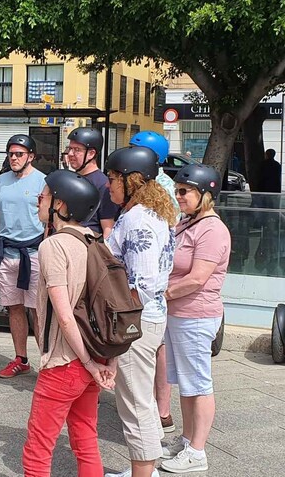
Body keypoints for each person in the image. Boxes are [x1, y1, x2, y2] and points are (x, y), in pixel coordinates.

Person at [22, 170, 116, 477]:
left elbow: (63, 315)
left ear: (61, 205)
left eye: (44, 195)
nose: (38, 200)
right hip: (96, 354)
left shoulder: (53, 245)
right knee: (85, 438)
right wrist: (106, 362)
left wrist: (87, 363)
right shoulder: (98, 242)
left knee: (39, 445)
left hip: (65, 360)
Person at [102, 147, 178, 477]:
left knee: (135, 404)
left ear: (132, 180)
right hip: (149, 318)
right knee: (139, 399)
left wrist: (120, 321)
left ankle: (143, 473)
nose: (108, 185)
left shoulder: (138, 220)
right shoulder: (148, 213)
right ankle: (145, 469)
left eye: (113, 178)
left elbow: (142, 283)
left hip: (136, 323)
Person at [159, 164, 230, 474]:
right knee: (185, 383)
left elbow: (197, 279)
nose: (179, 196)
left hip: (196, 315)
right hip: (179, 315)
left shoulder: (212, 230)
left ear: (205, 194)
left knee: (198, 384)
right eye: (177, 191)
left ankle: (197, 451)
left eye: (184, 191)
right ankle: (187, 439)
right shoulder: (187, 223)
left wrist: (161, 294)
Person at [128, 131, 178, 433]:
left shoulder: (161, 189)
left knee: (156, 348)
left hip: (150, 287)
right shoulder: (157, 185)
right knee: (157, 347)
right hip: (158, 285)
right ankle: (159, 410)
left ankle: (159, 410)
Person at [0, 135, 46, 378]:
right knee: (13, 308)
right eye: (11, 154)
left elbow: (49, 219)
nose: (14, 158)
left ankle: (47, 362)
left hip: (34, 253)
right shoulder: (1, 181)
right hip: (6, 252)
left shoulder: (43, 181)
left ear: (30, 156)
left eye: (19, 154)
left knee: (38, 310)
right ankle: (21, 358)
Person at [64, 127, 120, 236]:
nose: (70, 153)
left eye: (77, 150)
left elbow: (108, 229)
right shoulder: (70, 179)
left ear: (91, 153)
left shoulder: (103, 185)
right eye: (69, 148)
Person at [130, 131, 177, 211]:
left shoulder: (164, 185)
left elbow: (173, 219)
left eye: (137, 152)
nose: (131, 155)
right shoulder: (136, 178)